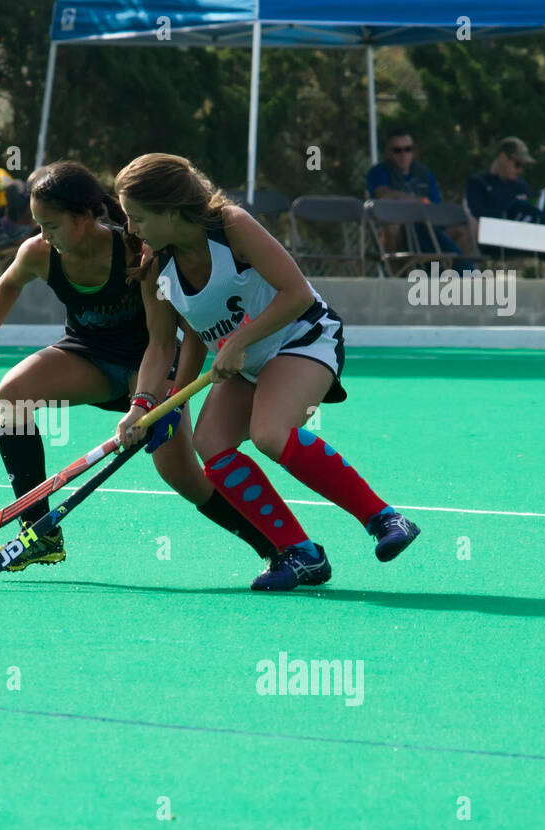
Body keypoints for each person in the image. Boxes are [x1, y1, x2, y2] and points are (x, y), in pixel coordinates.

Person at [0, 160, 280, 572]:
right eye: (39, 225)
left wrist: (149, 400)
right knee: (12, 396)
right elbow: (8, 283)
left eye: (52, 225)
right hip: (88, 356)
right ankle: (39, 534)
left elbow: (163, 337)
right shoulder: (40, 253)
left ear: (84, 217)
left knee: (184, 477)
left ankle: (276, 546)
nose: (43, 235)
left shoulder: (136, 251)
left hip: (148, 363)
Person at [114, 153, 420, 592]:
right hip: (247, 360)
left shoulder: (231, 226)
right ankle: (302, 554)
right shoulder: (155, 266)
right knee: (210, 443)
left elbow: (296, 293)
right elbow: (164, 344)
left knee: (270, 434)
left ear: (171, 211)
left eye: (138, 216)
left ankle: (384, 518)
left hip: (303, 336)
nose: (130, 228)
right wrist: (147, 405)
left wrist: (238, 342)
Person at [464, 137, 545, 279]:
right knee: (519, 205)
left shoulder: (520, 185)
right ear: (502, 158)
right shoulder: (478, 183)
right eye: (517, 164)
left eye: (523, 167)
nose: (520, 170)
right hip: (494, 238)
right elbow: (480, 214)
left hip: (524, 235)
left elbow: (535, 215)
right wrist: (512, 207)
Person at [366, 130, 472, 269]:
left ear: (414, 151)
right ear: (388, 152)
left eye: (408, 149)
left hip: (428, 227)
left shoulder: (424, 174)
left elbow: (435, 206)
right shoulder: (379, 172)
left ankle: (453, 273)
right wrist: (415, 200)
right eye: (397, 150)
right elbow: (383, 195)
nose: (403, 154)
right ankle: (396, 276)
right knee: (392, 227)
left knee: (460, 229)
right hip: (401, 229)